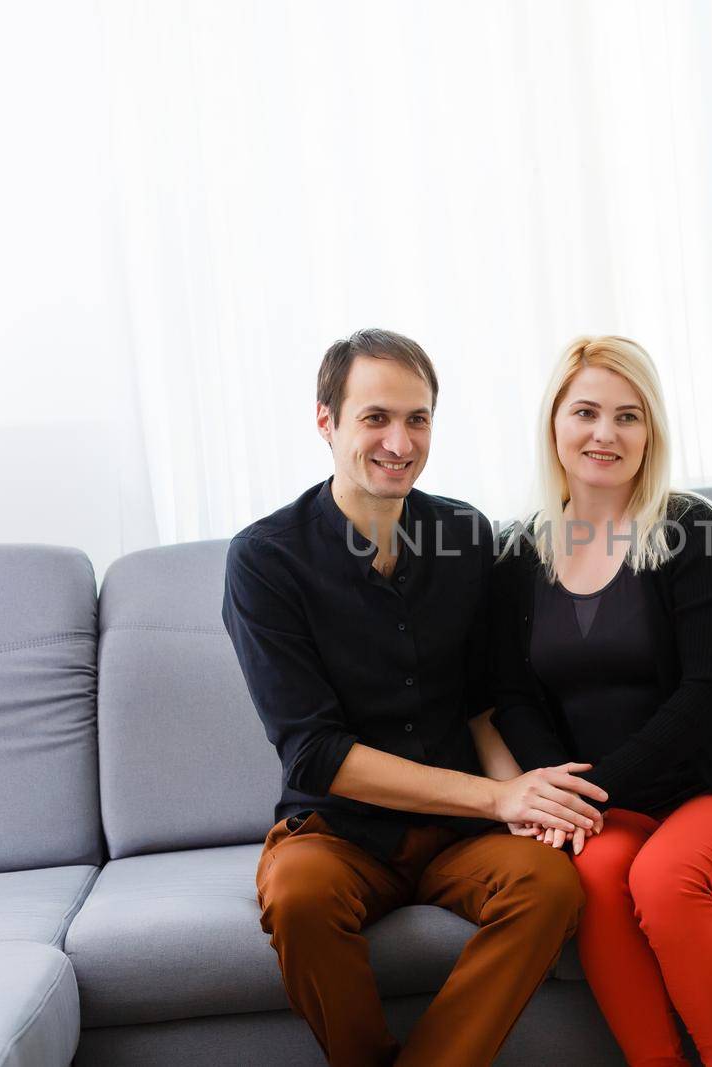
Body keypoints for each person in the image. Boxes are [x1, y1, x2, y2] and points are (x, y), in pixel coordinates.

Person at [221, 328, 609, 1067]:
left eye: (418, 418)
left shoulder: (464, 534)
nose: (400, 441)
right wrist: (495, 800)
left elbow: (483, 701)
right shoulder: (265, 560)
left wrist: (522, 794)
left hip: (459, 836)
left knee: (552, 885)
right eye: (375, 418)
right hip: (337, 833)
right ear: (326, 421)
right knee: (298, 893)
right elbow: (316, 752)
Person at [489, 335, 712, 1067]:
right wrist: (560, 791)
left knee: (664, 881)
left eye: (628, 416)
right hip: (610, 806)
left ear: (651, 432)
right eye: (587, 412)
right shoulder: (515, 554)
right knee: (598, 877)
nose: (606, 433)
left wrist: (588, 789)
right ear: (555, 425)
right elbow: (510, 694)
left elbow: (710, 692)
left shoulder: (690, 531)